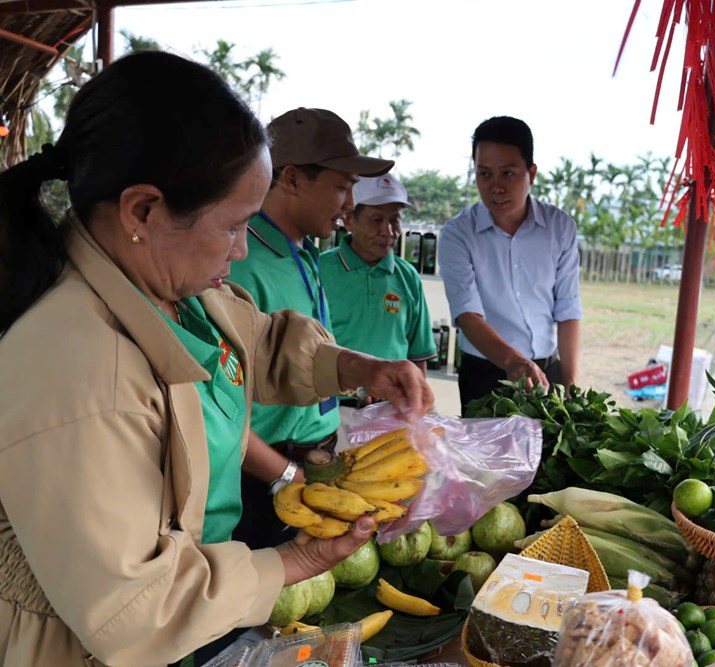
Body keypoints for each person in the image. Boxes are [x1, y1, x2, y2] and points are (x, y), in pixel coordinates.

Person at [0, 52, 433, 666]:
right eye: (233, 227)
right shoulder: (79, 372)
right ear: (142, 211)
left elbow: (253, 340)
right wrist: (299, 559)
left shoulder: (173, 288)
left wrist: (357, 368)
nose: (242, 251)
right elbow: (135, 609)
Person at [226, 107, 395, 553]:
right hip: (262, 476)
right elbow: (217, 410)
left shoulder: (303, 253)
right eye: (341, 187)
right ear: (293, 179)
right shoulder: (238, 262)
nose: (350, 204)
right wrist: (285, 475)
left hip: (313, 460)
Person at [438, 116, 582, 413]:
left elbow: (568, 309)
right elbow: (467, 314)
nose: (496, 187)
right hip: (485, 376)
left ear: (532, 173)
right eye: (484, 174)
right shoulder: (457, 234)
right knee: (484, 445)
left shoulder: (559, 228)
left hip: (549, 373)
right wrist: (513, 361)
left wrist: (569, 385)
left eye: (508, 173)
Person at [319, 173, 437, 421]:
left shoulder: (407, 277)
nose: (388, 231)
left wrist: (416, 406)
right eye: (376, 220)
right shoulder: (319, 270)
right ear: (349, 220)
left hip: (391, 410)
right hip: (330, 408)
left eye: (395, 220)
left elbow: (418, 356)